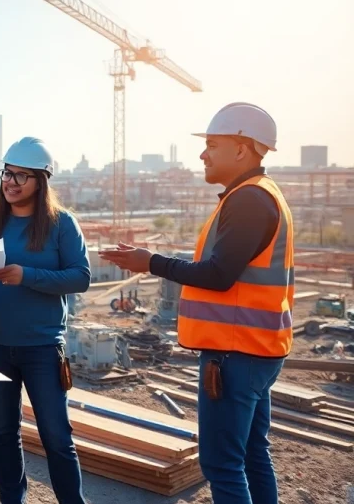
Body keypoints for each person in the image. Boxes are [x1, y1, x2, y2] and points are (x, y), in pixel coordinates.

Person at [100, 103, 293, 504]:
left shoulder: (249, 201)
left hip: (235, 353)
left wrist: (149, 261)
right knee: (253, 455)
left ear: (242, 149)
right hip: (254, 349)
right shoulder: (255, 196)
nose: (203, 154)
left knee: (223, 465)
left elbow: (218, 275)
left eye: (211, 145)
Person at [0, 137, 90, 504]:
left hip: (42, 348)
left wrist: (26, 275)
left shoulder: (61, 225)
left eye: (22, 176)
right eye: (7, 173)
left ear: (41, 181)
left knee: (56, 438)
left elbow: (80, 277)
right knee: (4, 434)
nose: (11, 182)